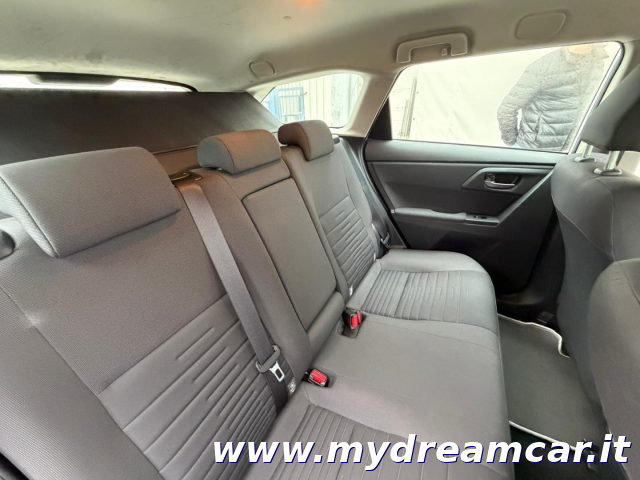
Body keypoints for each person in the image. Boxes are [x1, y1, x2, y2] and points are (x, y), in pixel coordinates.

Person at [497, 44, 608, 151]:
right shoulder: (542, 67)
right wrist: (513, 144)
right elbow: (507, 109)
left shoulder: (597, 63)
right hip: (533, 150)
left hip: (571, 149)